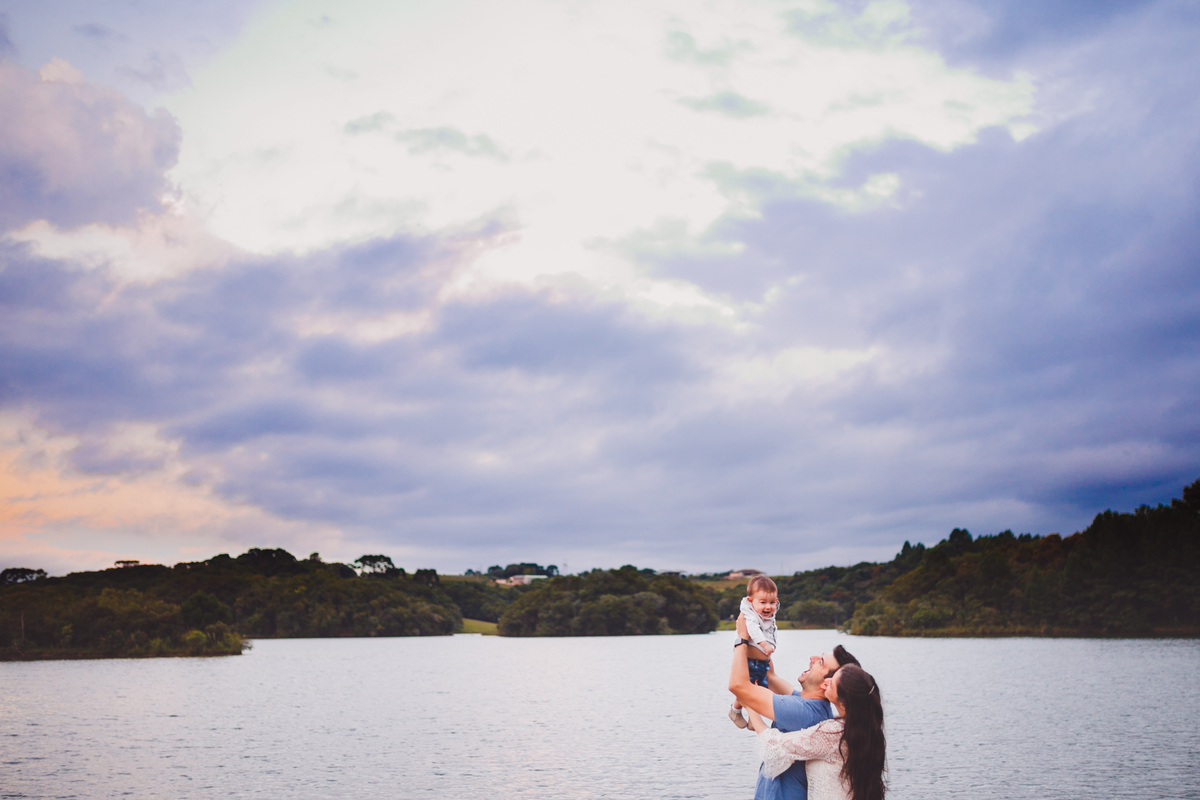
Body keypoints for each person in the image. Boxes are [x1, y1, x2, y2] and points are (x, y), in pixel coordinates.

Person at [729, 614, 861, 800]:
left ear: (827, 683)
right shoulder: (811, 705)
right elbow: (770, 675)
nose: (812, 658)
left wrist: (741, 639)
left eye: (820, 662)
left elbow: (737, 685)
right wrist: (758, 632)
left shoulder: (804, 712)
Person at [745, 663, 886, 800]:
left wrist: (750, 707)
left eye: (831, 684)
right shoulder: (865, 733)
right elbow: (793, 695)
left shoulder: (834, 733)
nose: (826, 682)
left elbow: (775, 744)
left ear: (843, 703)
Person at [729, 575, 781, 727]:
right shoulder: (750, 616)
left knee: (761, 690)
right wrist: (764, 645)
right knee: (748, 690)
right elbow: (753, 630)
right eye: (763, 602)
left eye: (772, 602)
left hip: (762, 662)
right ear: (751, 602)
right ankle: (735, 711)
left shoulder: (767, 613)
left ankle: (753, 718)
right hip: (751, 661)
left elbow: (771, 622)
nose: (768, 607)